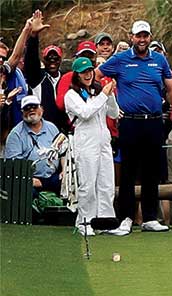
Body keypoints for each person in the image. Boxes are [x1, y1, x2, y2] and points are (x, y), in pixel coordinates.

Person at [98, 19, 172, 235]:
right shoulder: (121, 59)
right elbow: (97, 76)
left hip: (154, 121)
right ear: (132, 37)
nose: (142, 40)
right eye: (138, 36)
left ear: (150, 37)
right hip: (130, 122)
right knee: (128, 172)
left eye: (145, 36)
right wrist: (110, 104)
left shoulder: (159, 60)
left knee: (151, 171)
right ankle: (126, 218)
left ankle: (150, 218)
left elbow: (171, 88)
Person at [63, 58, 119, 235]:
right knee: (88, 183)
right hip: (86, 142)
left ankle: (105, 221)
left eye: (89, 71)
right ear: (77, 75)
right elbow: (85, 113)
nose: (87, 75)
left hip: (103, 141)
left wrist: (109, 96)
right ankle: (85, 222)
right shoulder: (71, 95)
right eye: (83, 72)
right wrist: (103, 94)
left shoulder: (97, 91)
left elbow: (114, 113)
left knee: (107, 183)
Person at [3, 94, 61, 194]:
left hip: (53, 178)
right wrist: (29, 179)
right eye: (27, 108)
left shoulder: (52, 128)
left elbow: (62, 151)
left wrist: (64, 171)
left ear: (41, 109)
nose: (31, 110)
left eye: (34, 107)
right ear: (22, 113)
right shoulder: (15, 134)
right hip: (28, 181)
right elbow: (13, 165)